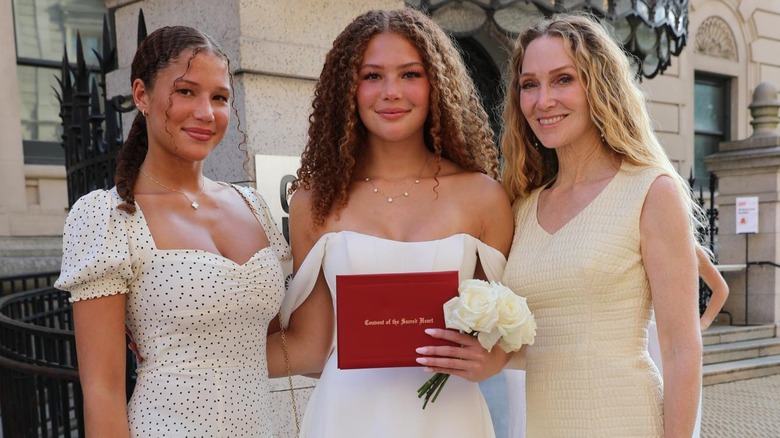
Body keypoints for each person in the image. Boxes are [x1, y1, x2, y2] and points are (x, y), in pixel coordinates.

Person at [54, 26, 319, 437]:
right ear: (141, 95)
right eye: (186, 92)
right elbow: (103, 390)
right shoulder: (107, 216)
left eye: (220, 98)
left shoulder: (254, 206)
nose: (206, 113)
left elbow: (283, 344)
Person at [279, 8, 514, 438]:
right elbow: (311, 346)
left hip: (450, 416)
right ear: (347, 88)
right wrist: (200, 351)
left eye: (410, 74)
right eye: (372, 76)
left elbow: (510, 329)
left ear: (437, 84)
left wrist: (493, 359)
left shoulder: (484, 196)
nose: (391, 92)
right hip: (345, 417)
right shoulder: (314, 202)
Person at [499, 14, 703, 437]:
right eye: (530, 84)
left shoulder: (650, 191)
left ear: (600, 86)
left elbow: (681, 348)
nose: (543, 100)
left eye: (563, 80)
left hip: (624, 420)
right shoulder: (521, 206)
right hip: (542, 425)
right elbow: (536, 344)